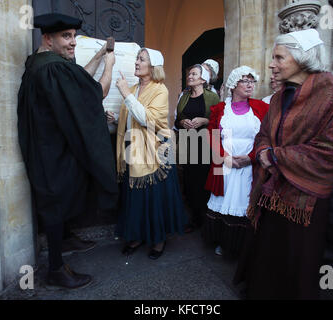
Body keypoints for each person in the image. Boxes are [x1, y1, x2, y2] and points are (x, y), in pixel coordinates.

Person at [233, 29, 333, 299]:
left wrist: (275, 156)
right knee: (268, 252)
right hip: (271, 192)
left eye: (279, 57)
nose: (271, 64)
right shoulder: (278, 97)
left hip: (304, 200)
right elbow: (263, 134)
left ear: (301, 58)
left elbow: (332, 150)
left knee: (298, 257)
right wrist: (264, 150)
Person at [17, 13, 118, 289]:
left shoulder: (40, 63)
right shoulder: (54, 68)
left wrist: (98, 55)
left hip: (46, 144)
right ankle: (56, 269)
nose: (73, 42)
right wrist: (109, 64)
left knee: (64, 193)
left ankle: (66, 237)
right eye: (66, 36)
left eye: (74, 36)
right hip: (53, 150)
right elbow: (94, 92)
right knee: (55, 199)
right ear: (47, 38)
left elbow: (77, 81)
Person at [112, 47, 188, 259]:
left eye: (141, 59)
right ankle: (136, 236)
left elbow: (150, 120)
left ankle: (158, 240)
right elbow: (133, 118)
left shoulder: (160, 90)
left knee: (154, 199)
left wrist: (126, 94)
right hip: (133, 150)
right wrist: (117, 120)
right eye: (137, 58)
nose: (136, 62)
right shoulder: (135, 88)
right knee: (136, 199)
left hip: (155, 154)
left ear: (152, 67)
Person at [202, 66, 269, 257]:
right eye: (245, 81)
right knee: (223, 202)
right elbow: (212, 135)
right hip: (223, 165)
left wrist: (250, 157)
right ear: (233, 85)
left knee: (243, 203)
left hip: (249, 167)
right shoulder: (219, 109)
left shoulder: (262, 108)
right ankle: (222, 242)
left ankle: (243, 246)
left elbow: (266, 137)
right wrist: (225, 157)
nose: (250, 85)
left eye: (252, 81)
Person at [174, 64, 220, 232]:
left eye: (194, 74)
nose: (190, 76)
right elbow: (177, 117)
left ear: (203, 79)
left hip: (205, 143)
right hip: (188, 141)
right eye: (189, 73)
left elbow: (218, 120)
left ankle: (206, 217)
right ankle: (194, 218)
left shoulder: (212, 97)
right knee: (189, 179)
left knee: (203, 179)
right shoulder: (184, 96)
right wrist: (182, 122)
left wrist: (205, 121)